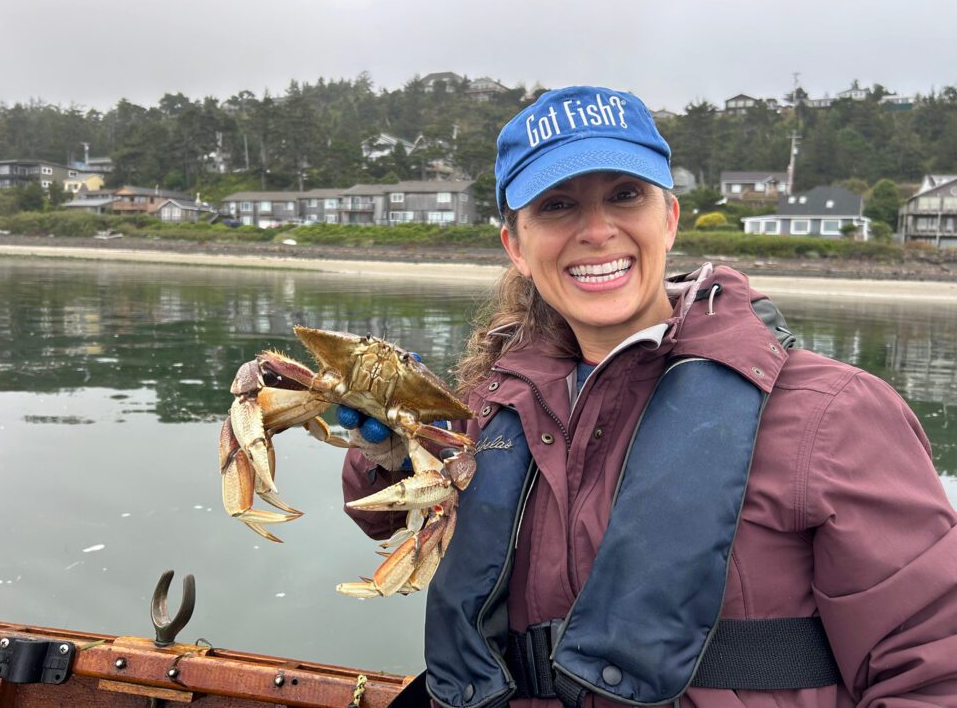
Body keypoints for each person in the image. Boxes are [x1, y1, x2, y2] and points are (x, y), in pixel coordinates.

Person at [341, 86, 957, 708]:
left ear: (669, 217)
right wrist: (388, 452)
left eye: (625, 195)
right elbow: (381, 518)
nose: (598, 230)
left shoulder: (833, 414)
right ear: (516, 248)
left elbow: (935, 673)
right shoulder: (492, 404)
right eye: (557, 205)